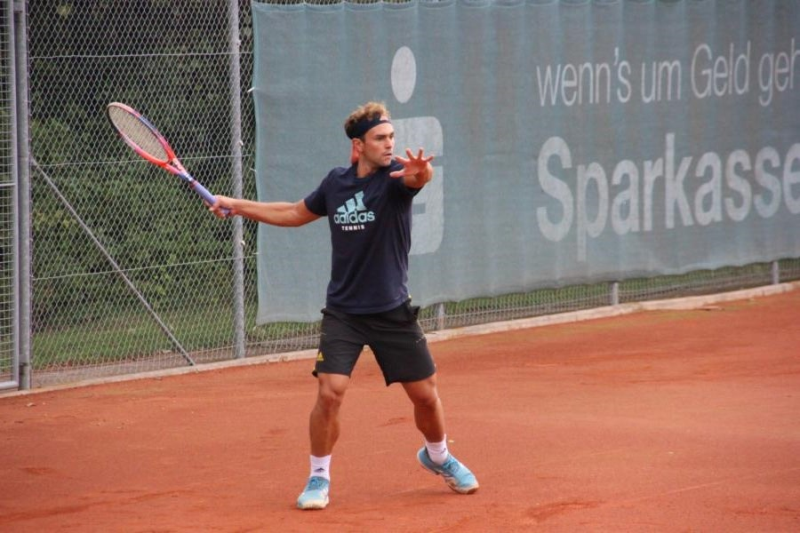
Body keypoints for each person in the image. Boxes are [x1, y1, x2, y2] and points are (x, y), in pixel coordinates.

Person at [210, 101, 478, 510]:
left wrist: (422, 172)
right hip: (344, 312)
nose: (389, 144)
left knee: (425, 396)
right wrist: (238, 205)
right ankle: (318, 476)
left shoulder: (395, 179)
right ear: (358, 145)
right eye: (380, 138)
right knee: (330, 392)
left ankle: (438, 456)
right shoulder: (336, 184)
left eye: (391, 137)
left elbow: (418, 177)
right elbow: (294, 212)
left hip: (392, 310)